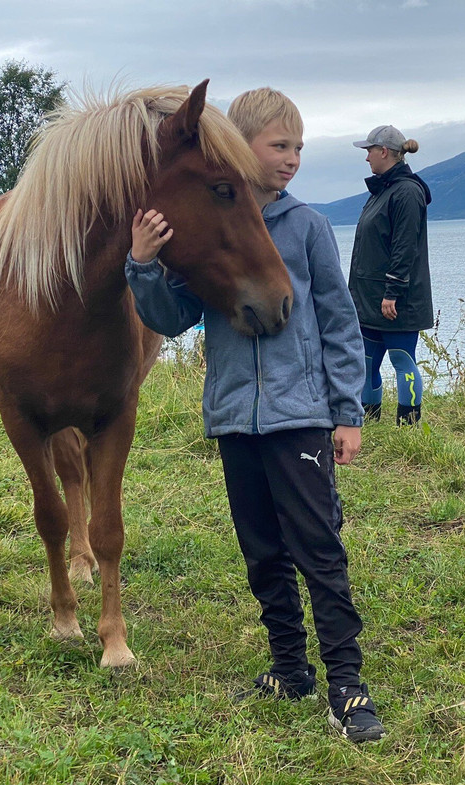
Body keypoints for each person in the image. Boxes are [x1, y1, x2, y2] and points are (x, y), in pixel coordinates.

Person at [123, 88, 385, 743]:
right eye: (279, 145)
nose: (292, 158)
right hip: (236, 418)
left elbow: (339, 321)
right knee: (262, 551)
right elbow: (171, 318)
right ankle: (289, 667)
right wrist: (143, 264)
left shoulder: (308, 227)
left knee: (318, 549)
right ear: (240, 149)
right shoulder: (206, 223)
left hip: (300, 417)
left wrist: (346, 413)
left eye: (298, 146)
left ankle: (347, 687)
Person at [347, 125, 433, 425]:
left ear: (384, 151)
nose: (366, 157)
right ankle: (369, 423)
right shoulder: (382, 190)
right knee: (366, 363)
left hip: (397, 301)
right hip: (370, 300)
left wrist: (392, 292)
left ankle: (408, 426)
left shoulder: (407, 192)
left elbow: (405, 247)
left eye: (369, 150)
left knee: (401, 360)